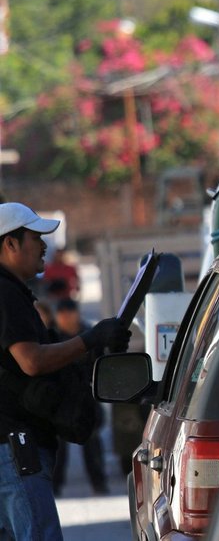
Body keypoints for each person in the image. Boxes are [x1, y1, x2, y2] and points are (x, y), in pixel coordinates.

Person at [0, 203, 129, 540]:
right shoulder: (5, 293)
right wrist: (89, 339)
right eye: (36, 238)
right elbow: (31, 361)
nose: (44, 246)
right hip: (14, 449)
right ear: (9, 244)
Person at [51, 298, 109, 496]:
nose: (66, 319)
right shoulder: (52, 336)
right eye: (62, 315)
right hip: (60, 399)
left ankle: (98, 483)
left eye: (69, 313)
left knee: (91, 443)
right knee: (58, 448)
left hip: (86, 397)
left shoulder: (90, 335)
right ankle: (54, 485)